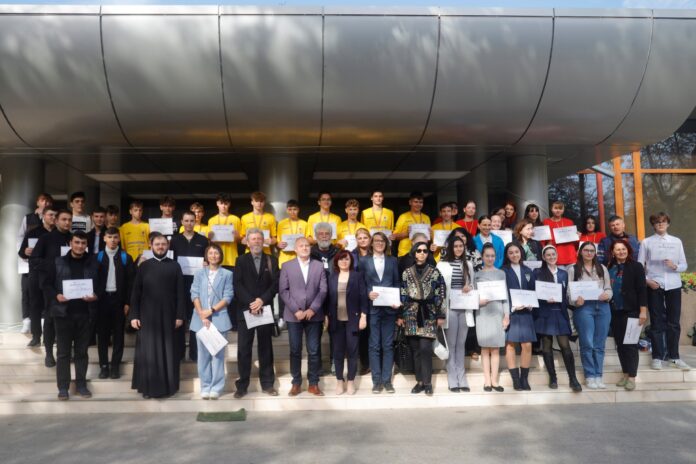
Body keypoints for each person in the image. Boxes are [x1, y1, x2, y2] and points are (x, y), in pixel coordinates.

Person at [41, 231, 99, 400]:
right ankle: (63, 388)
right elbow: (46, 284)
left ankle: (81, 385)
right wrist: (56, 295)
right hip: (63, 314)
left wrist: (96, 296)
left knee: (82, 353)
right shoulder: (57, 262)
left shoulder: (94, 263)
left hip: (85, 314)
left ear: (86, 245)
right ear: (70, 243)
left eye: (83, 243)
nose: (80, 246)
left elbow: (100, 285)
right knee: (63, 353)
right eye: (77, 242)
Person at [129, 233, 186, 399]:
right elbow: (136, 293)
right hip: (147, 317)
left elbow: (180, 293)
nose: (160, 247)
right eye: (157, 244)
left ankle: (168, 388)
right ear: (151, 246)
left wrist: (180, 316)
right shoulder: (144, 266)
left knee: (168, 352)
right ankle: (148, 389)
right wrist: (134, 316)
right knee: (149, 353)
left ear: (167, 246)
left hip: (169, 316)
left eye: (163, 244)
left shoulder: (175, 266)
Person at [637, 212, 690, 370]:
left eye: (663, 221)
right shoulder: (646, 242)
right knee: (656, 322)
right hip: (655, 284)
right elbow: (639, 266)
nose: (660, 224)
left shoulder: (676, 241)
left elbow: (684, 265)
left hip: (673, 284)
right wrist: (647, 281)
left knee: (674, 322)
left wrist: (675, 266)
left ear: (668, 224)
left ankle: (674, 357)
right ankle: (657, 357)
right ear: (653, 225)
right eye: (657, 222)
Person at [233, 228, 280, 398]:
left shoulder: (271, 260)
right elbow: (237, 284)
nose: (256, 242)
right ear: (247, 242)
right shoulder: (240, 260)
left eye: (259, 239)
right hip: (246, 311)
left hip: (265, 309)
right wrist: (252, 303)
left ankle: (268, 384)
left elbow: (275, 284)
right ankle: (242, 386)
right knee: (244, 349)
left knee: (265, 348)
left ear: (263, 241)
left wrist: (261, 300)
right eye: (253, 239)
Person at [279, 237, 327, 396]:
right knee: (295, 350)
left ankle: (313, 383)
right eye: (301, 245)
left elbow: (323, 290)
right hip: (294, 316)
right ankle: (296, 383)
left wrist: (313, 309)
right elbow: (283, 291)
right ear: (295, 249)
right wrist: (296, 310)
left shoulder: (319, 266)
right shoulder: (287, 266)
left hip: (314, 315)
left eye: (307, 245)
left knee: (314, 350)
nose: (305, 248)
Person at [399, 243, 446, 396]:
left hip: (429, 313)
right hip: (411, 314)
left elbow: (441, 293)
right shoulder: (406, 272)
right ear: (414, 253)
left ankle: (427, 382)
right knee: (416, 350)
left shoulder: (434, 272)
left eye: (425, 251)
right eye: (419, 251)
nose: (422, 253)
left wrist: (441, 314)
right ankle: (419, 381)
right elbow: (402, 293)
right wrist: (400, 315)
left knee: (425, 348)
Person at [533, 245, 582, 392]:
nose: (551, 257)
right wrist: (543, 299)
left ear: (557, 255)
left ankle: (573, 378)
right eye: (548, 255)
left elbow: (567, 294)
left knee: (565, 346)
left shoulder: (563, 273)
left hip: (560, 312)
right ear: (543, 257)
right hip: (544, 312)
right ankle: (553, 378)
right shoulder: (537, 272)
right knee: (546, 346)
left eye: (553, 254)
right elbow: (534, 292)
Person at [190, 244, 233, 399]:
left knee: (218, 356)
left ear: (220, 255)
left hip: (219, 318)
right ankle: (205, 386)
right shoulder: (199, 273)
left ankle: (216, 387)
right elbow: (194, 293)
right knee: (203, 356)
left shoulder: (227, 274)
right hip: (200, 319)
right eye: (210, 253)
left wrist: (211, 311)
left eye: (216, 253)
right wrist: (202, 314)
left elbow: (228, 296)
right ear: (206, 256)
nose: (213, 255)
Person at [359, 231, 400, 393]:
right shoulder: (364, 261)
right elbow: (361, 284)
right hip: (373, 309)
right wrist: (368, 293)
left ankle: (387, 381)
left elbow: (396, 282)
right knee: (374, 345)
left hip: (390, 309)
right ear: (371, 243)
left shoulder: (393, 260)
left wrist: (397, 300)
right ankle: (376, 382)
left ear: (386, 243)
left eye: (382, 241)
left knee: (388, 345)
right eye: (376, 240)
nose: (379, 243)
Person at [568, 241, 612, 389]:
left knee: (599, 344)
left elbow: (608, 288)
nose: (589, 253)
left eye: (592, 251)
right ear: (580, 252)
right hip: (584, 308)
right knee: (587, 343)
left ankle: (598, 375)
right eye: (586, 250)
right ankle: (590, 375)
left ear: (595, 253)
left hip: (602, 307)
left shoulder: (602, 268)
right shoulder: (573, 269)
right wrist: (575, 301)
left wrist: (607, 295)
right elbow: (569, 293)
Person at [32, 209, 73, 367]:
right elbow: (34, 260)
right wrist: (53, 264)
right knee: (50, 319)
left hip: (70, 285)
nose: (67, 222)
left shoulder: (73, 239)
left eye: (69, 220)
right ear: (56, 221)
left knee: (69, 319)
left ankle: (66, 351)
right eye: (64, 219)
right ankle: (49, 353)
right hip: (50, 285)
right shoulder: (46, 238)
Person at [95, 227, 135, 380]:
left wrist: (127, 302)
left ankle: (115, 366)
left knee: (119, 335)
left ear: (119, 239)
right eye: (110, 237)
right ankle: (104, 366)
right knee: (103, 335)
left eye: (115, 237)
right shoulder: (98, 257)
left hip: (119, 301)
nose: (112, 240)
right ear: (104, 238)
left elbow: (131, 282)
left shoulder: (125, 257)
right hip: (102, 300)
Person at [608, 239, 648, 391]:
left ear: (628, 250)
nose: (621, 252)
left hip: (632, 311)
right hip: (615, 311)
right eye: (618, 249)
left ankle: (632, 377)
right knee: (620, 345)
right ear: (613, 252)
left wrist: (643, 311)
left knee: (630, 345)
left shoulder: (636, 266)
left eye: (623, 249)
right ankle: (625, 374)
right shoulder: (609, 267)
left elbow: (642, 290)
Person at [326, 251, 368, 395]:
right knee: (337, 352)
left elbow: (363, 297)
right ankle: (339, 381)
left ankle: (350, 381)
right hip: (336, 320)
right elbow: (327, 299)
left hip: (353, 319)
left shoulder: (357, 276)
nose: (344, 262)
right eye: (341, 259)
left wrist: (363, 316)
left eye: (347, 259)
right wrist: (326, 316)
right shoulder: (331, 277)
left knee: (352, 352)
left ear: (351, 261)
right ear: (336, 262)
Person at [437, 236, 475, 392]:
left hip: (464, 307)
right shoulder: (442, 265)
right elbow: (438, 289)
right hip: (450, 309)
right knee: (451, 344)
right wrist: (440, 312)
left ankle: (462, 378)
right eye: (455, 246)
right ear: (450, 248)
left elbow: (472, 284)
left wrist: (469, 287)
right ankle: (452, 379)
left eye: (461, 246)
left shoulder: (468, 264)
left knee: (461, 344)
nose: (459, 249)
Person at [170, 211, 209, 361]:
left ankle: (195, 353)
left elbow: (208, 260)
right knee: (179, 318)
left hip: (198, 285)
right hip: (178, 284)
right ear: (181, 222)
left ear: (195, 221)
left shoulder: (203, 240)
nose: (189, 223)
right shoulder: (174, 240)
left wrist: (205, 263)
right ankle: (179, 353)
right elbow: (170, 260)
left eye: (192, 220)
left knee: (196, 319)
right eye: (186, 220)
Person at [18, 206, 56, 347]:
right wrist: (25, 251)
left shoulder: (59, 234)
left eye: (55, 215)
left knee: (51, 306)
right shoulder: (33, 232)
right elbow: (21, 252)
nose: (53, 218)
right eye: (50, 215)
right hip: (35, 274)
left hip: (53, 275)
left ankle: (51, 336)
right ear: (43, 216)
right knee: (35, 305)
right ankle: (36, 336)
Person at [502, 242, 536, 391]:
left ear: (521, 252)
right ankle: (515, 379)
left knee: (527, 345)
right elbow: (502, 292)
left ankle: (524, 378)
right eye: (511, 253)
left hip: (526, 312)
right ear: (507, 255)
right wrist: (511, 308)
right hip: (511, 312)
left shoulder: (528, 270)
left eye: (516, 252)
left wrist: (530, 303)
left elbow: (533, 290)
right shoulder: (503, 271)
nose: (514, 255)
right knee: (510, 345)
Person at [475, 243, 510, 392]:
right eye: (487, 256)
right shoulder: (476, 275)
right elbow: (473, 296)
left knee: (495, 348)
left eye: (492, 256)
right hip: (482, 313)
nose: (490, 258)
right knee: (484, 348)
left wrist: (506, 315)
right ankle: (487, 381)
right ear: (482, 257)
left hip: (497, 313)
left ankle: (495, 381)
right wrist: (477, 301)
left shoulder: (501, 273)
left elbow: (505, 296)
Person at [311, 222, 340, 374]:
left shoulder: (338, 252)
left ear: (331, 235)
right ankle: (317, 366)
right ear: (316, 236)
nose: (324, 236)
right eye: (321, 234)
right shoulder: (310, 253)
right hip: (315, 298)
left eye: (327, 234)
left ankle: (335, 363)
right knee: (315, 335)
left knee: (335, 333)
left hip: (334, 299)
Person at [207, 192, 242, 270]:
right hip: (215, 259)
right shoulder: (211, 220)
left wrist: (237, 237)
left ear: (229, 204)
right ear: (217, 203)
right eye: (221, 203)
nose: (223, 206)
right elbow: (209, 241)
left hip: (232, 259)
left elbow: (240, 240)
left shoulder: (236, 219)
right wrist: (209, 238)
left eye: (226, 204)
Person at [393, 191, 431, 257]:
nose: (418, 204)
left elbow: (428, 238)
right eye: (416, 202)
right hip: (405, 253)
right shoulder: (403, 217)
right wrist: (407, 234)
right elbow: (394, 236)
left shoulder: (426, 217)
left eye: (421, 202)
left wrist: (429, 235)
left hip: (421, 253)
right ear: (410, 202)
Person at [543, 201, 578, 268]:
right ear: (551, 209)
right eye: (555, 208)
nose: (558, 210)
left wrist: (577, 237)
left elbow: (575, 242)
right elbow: (543, 241)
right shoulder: (546, 222)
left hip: (570, 256)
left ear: (563, 210)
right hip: (555, 258)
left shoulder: (569, 222)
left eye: (560, 208)